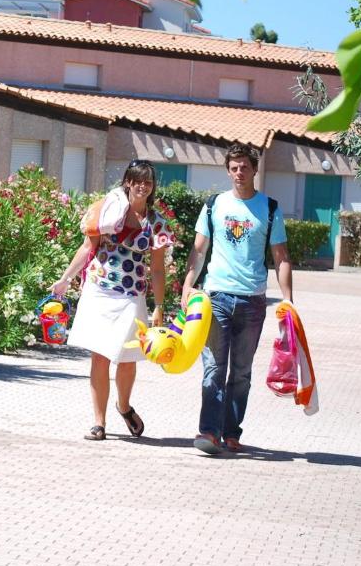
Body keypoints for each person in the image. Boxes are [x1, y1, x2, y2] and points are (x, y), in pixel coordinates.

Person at [181, 144, 293, 455]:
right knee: (214, 368)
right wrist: (188, 285)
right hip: (216, 296)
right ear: (228, 171)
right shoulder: (214, 205)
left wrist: (288, 300)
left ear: (255, 170)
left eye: (245, 167)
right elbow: (199, 249)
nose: (239, 173)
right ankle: (209, 432)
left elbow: (281, 257)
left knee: (241, 372)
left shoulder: (269, 209)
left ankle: (231, 433)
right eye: (234, 168)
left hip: (253, 302)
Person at [51, 160, 173, 441]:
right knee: (100, 356)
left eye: (148, 182)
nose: (142, 186)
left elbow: (157, 268)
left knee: (127, 358)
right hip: (99, 289)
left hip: (132, 295)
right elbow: (87, 248)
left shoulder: (156, 223)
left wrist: (158, 306)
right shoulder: (108, 212)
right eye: (137, 180)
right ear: (127, 182)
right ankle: (99, 422)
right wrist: (65, 279)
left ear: (152, 187)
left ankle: (124, 406)